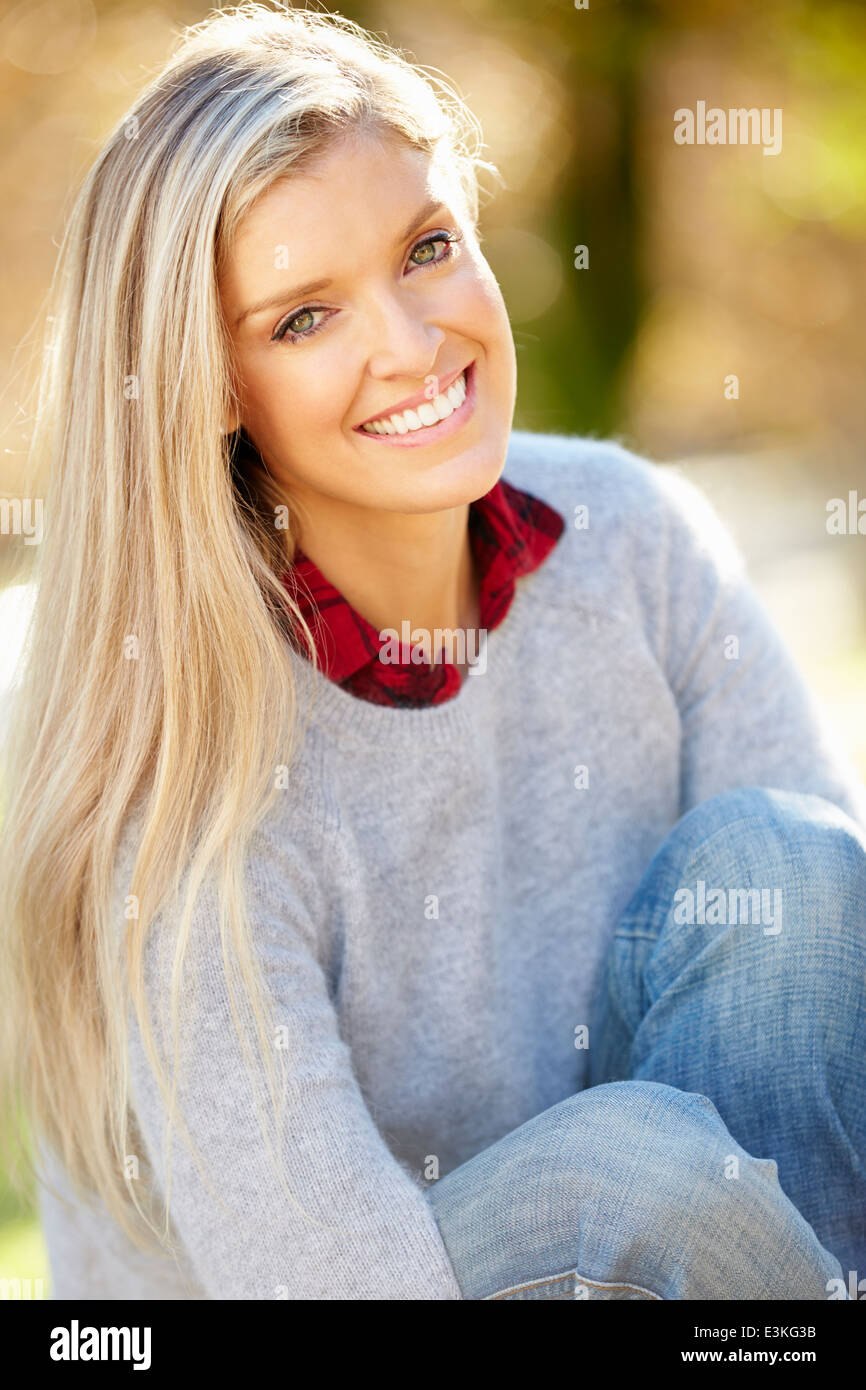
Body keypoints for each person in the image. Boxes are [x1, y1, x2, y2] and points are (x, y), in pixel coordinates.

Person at [2, 3, 864, 1301]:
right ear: (211, 387)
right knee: (630, 1175)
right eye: (305, 317)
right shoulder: (186, 768)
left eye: (424, 249)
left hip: (721, 1276)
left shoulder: (635, 540)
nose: (411, 346)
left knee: (788, 868)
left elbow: (831, 1034)